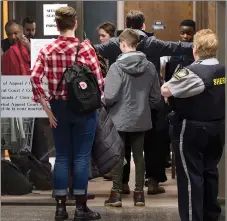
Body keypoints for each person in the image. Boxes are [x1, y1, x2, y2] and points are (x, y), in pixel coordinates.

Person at [95, 10, 193, 194]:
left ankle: (122, 184)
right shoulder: (152, 43)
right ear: (143, 25)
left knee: (121, 147)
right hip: (148, 100)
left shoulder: (115, 44)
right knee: (154, 144)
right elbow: (177, 47)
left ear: (126, 24)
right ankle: (153, 181)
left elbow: (94, 49)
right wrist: (199, 47)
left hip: (121, 103)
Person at [30, 6, 104, 221]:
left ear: (57, 25)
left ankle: (60, 208)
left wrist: (45, 106)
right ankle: (81, 209)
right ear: (76, 23)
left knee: (61, 157)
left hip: (58, 108)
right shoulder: (86, 48)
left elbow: (34, 78)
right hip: (83, 109)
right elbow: (99, 82)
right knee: (81, 157)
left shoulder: (47, 49)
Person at [161, 29, 225, 221]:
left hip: (192, 129)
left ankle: (192, 217)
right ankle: (211, 215)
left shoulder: (191, 71)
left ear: (195, 48)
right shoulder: (222, 69)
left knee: (190, 177)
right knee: (210, 172)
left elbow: (166, 89)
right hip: (217, 128)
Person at [104, 28, 161, 207]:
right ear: (136, 45)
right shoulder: (150, 66)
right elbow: (156, 97)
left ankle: (116, 194)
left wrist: (104, 101)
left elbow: (110, 96)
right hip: (141, 117)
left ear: (122, 44)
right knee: (139, 156)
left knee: (119, 156)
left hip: (119, 118)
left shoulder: (116, 67)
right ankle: (139, 195)